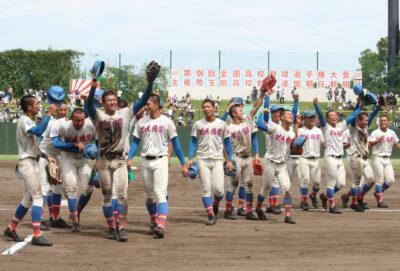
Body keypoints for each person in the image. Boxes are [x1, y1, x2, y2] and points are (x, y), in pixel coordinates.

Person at [86, 61, 160, 242]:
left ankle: (122, 227)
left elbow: (143, 100)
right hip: (103, 160)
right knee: (106, 196)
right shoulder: (98, 115)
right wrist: (92, 87)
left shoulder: (125, 113)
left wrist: (149, 83)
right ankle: (111, 227)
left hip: (120, 160)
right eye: (108, 100)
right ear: (103, 103)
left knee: (122, 194)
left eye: (114, 100)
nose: (112, 102)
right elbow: (88, 105)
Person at [127, 94, 188, 238]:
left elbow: (177, 146)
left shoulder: (167, 122)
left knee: (160, 193)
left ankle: (161, 225)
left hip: (160, 160)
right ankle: (154, 222)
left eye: (148, 104)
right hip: (145, 161)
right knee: (149, 196)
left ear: (156, 105)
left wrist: (183, 163)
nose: (146, 106)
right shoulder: (141, 122)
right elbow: (135, 142)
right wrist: (129, 158)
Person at [4, 96, 56, 246]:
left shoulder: (29, 120)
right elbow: (39, 132)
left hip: (32, 161)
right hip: (27, 163)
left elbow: (34, 145)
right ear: (29, 108)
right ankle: (36, 235)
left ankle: (11, 228)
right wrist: (49, 114)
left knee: (27, 200)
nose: (39, 106)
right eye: (36, 104)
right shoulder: (24, 120)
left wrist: (47, 156)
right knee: (38, 197)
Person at [187, 99, 234, 225]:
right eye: (204, 107)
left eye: (208, 107)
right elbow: (192, 141)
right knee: (206, 188)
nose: (206, 109)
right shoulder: (198, 124)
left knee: (219, 190)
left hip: (218, 159)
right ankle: (210, 215)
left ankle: (215, 205)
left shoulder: (222, 124)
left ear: (214, 108)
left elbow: (227, 143)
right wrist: (190, 157)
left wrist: (230, 160)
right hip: (202, 159)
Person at [313, 97, 362, 214]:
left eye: (335, 115)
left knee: (341, 184)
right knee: (331, 182)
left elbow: (352, 116)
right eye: (331, 115)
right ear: (328, 120)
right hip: (330, 158)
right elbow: (320, 115)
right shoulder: (326, 128)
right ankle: (332, 205)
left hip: (340, 159)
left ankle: (325, 196)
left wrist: (359, 106)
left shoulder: (341, 126)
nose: (334, 116)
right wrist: (316, 105)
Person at [52, 108, 97, 231]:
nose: (80, 122)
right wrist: (73, 145)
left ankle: (76, 212)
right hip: (69, 158)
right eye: (77, 120)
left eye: (82, 120)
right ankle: (75, 219)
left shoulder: (90, 125)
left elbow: (97, 140)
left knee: (87, 189)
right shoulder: (65, 126)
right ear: (72, 119)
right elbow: (55, 142)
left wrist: (96, 157)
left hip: (85, 159)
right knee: (71, 188)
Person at [256, 109, 298, 224]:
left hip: (282, 165)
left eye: (291, 115)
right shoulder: (275, 128)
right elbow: (259, 125)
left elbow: (295, 150)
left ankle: (288, 215)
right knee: (266, 189)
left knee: (287, 189)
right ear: (282, 118)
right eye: (288, 114)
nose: (291, 116)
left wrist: (298, 145)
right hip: (271, 163)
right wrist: (261, 113)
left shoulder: (292, 133)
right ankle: (258, 208)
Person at [340, 103, 380, 212]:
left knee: (371, 180)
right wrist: (359, 108)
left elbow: (371, 116)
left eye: (367, 120)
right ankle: (354, 203)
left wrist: (378, 107)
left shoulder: (365, 129)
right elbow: (353, 118)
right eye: (365, 120)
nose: (367, 122)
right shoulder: (353, 128)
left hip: (364, 158)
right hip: (355, 158)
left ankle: (360, 198)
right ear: (359, 121)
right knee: (357, 182)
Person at [38, 103, 68, 230]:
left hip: (58, 156)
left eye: (65, 109)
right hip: (45, 155)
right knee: (44, 188)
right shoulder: (53, 123)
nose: (63, 111)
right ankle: (38, 219)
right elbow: (56, 143)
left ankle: (55, 218)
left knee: (58, 187)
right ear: (56, 110)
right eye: (60, 109)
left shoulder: (66, 123)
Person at [368, 115, 400, 207]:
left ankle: (378, 193)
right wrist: (377, 141)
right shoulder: (375, 132)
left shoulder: (392, 133)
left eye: (385, 120)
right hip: (377, 157)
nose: (383, 122)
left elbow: (397, 144)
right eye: (381, 121)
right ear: (379, 122)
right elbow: (369, 144)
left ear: (388, 122)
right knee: (380, 180)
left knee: (390, 180)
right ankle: (380, 201)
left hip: (387, 159)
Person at [298, 111, 325, 210]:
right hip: (304, 158)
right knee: (305, 180)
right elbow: (296, 144)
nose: (311, 119)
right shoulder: (301, 130)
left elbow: (323, 144)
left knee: (317, 183)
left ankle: (313, 195)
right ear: (304, 119)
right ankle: (304, 201)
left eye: (313, 117)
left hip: (316, 160)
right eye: (309, 117)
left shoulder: (318, 131)